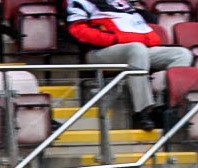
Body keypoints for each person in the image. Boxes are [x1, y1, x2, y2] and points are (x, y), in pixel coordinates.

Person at [68, 0, 192, 131]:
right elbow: (77, 31)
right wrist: (113, 39)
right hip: (98, 52)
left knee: (181, 54)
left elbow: (148, 24)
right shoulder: (80, 1)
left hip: (133, 48)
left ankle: (167, 108)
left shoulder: (121, 2)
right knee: (136, 49)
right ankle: (142, 111)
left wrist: (139, 12)